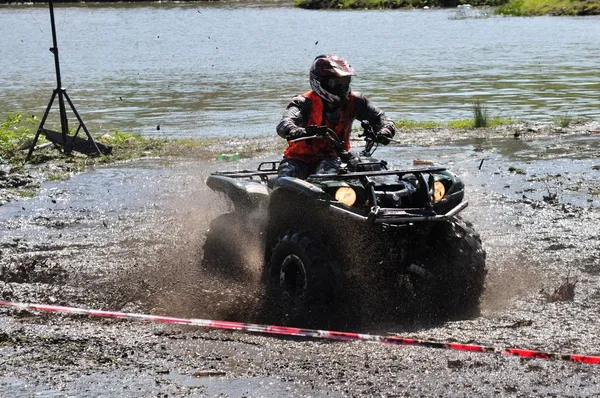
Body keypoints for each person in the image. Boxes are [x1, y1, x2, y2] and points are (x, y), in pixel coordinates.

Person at [276, 54, 397, 179]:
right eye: (335, 82)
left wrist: (385, 131)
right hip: (299, 160)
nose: (341, 87)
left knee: (372, 169)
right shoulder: (303, 102)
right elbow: (284, 124)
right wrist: (298, 131)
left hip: (336, 159)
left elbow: (382, 118)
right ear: (319, 82)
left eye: (344, 82)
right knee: (286, 180)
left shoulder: (356, 100)